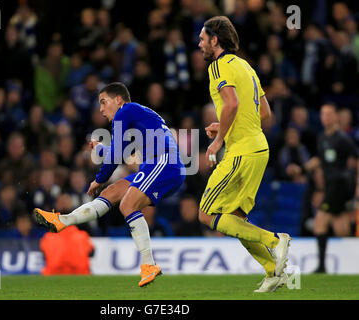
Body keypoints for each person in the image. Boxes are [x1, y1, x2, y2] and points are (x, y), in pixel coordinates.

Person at [34, 82, 186, 287]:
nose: (101, 109)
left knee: (127, 205)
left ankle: (149, 264)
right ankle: (63, 220)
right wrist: (102, 150)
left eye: (104, 102)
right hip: (156, 165)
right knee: (113, 192)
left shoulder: (126, 111)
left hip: (164, 164)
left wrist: (99, 177)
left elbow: (116, 156)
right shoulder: (137, 119)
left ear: (119, 100)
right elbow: (124, 155)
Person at [197, 16, 291, 293]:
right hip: (259, 149)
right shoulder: (246, 67)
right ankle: (274, 271)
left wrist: (219, 141)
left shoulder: (218, 66)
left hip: (240, 153)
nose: (199, 43)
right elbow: (265, 114)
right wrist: (225, 124)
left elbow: (232, 103)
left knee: (206, 214)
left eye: (203, 38)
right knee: (235, 217)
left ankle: (275, 240)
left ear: (215, 40)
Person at [304, 103, 357, 273]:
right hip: (330, 186)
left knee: (320, 221)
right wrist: (304, 167)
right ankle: (350, 260)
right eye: (322, 114)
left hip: (339, 186)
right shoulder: (322, 137)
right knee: (340, 223)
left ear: (336, 116)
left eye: (328, 114)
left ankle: (321, 266)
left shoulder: (342, 138)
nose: (325, 117)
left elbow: (356, 157)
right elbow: (320, 159)